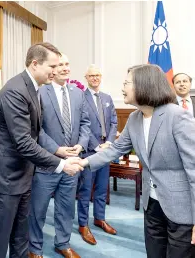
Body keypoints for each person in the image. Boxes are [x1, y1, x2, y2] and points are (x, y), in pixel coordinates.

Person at [79, 64, 195, 258]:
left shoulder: (178, 117)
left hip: (184, 210)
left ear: (144, 85)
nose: (122, 88)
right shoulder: (135, 118)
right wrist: (83, 163)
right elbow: (117, 148)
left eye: (126, 83)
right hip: (153, 205)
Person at [0, 43, 83, 258]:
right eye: (52, 66)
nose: (56, 71)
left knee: (21, 237)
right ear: (35, 64)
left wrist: (59, 156)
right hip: (6, 177)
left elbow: (35, 134)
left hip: (24, 174)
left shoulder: (34, 88)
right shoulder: (15, 91)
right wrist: (62, 164)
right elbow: (24, 142)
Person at [28, 54, 90, 258]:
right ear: (52, 69)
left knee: (66, 207)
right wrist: (57, 150)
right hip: (47, 163)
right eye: (60, 64)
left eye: (67, 64)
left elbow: (85, 124)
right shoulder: (40, 92)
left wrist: (81, 145)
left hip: (72, 162)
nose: (64, 68)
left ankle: (62, 243)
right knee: (38, 209)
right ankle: (34, 248)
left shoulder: (78, 93)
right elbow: (36, 129)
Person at [76, 65, 118, 245]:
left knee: (102, 188)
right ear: (86, 78)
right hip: (90, 152)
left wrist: (108, 142)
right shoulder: (81, 98)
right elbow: (81, 125)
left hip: (106, 150)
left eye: (97, 75)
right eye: (91, 75)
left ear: (101, 77)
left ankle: (99, 218)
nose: (95, 78)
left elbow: (114, 122)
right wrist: (96, 146)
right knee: (86, 190)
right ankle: (83, 224)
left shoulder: (107, 98)